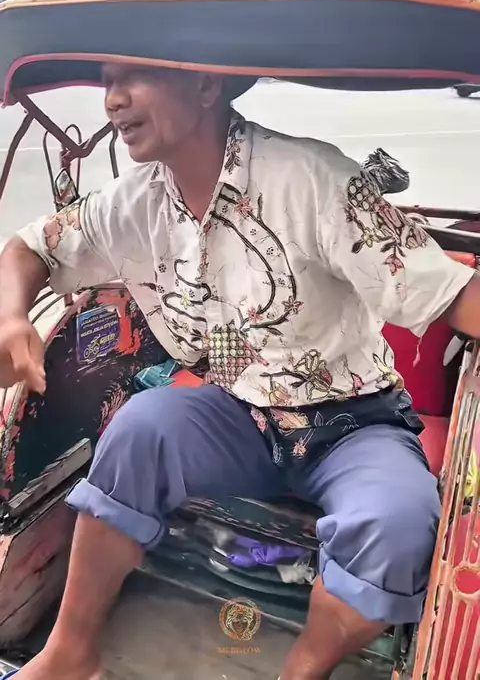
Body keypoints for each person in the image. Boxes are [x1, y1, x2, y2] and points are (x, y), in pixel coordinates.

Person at [0, 64, 478, 680]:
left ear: (207, 85)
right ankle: (70, 653)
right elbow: (30, 247)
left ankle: (301, 668)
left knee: (397, 523)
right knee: (139, 426)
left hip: (353, 422)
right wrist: (12, 316)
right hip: (235, 408)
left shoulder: (314, 178)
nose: (112, 101)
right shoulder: (136, 201)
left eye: (135, 79)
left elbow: (452, 295)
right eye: (107, 81)